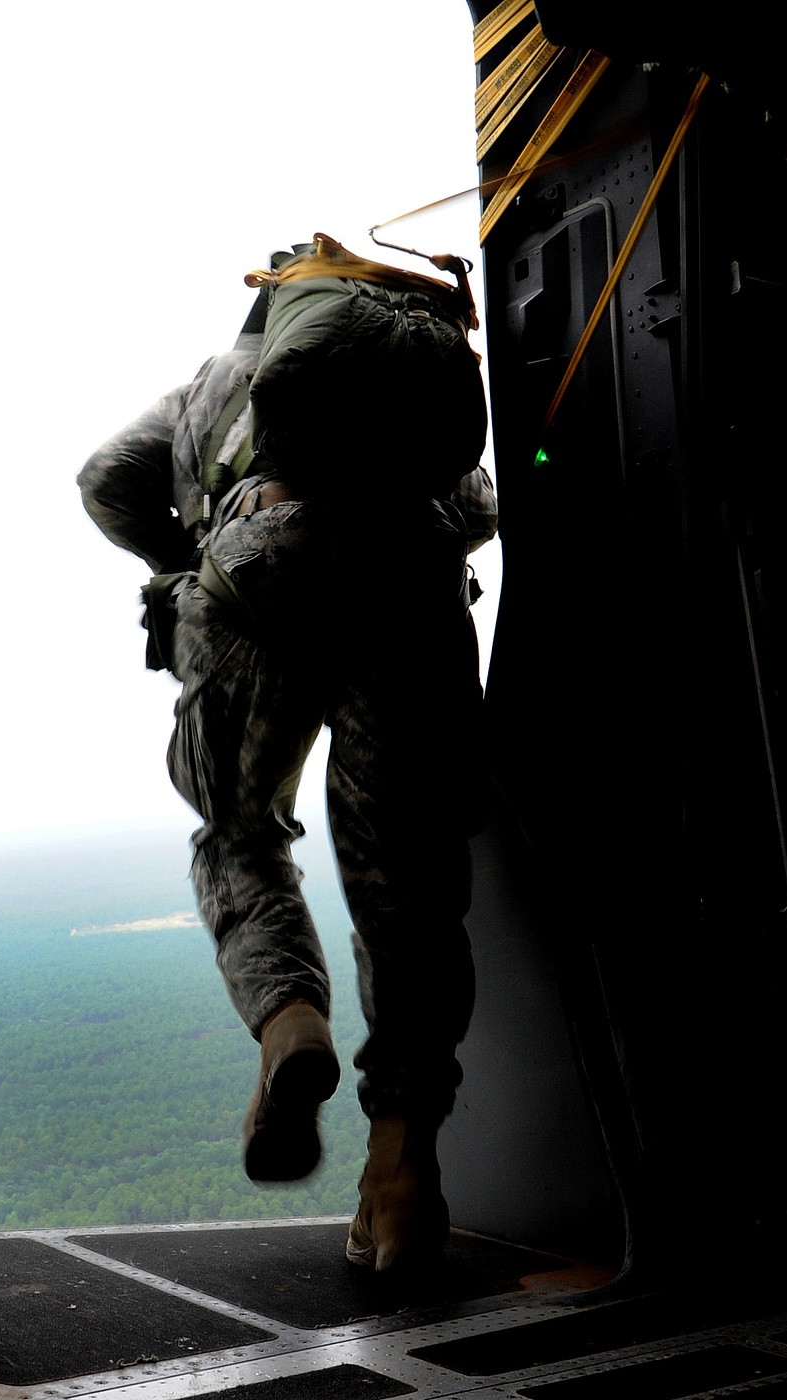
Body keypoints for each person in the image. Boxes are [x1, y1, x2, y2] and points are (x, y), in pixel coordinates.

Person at [78, 241, 497, 1271]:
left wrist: (188, 559)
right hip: (411, 592)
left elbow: (106, 481)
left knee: (239, 832)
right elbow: (478, 504)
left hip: (258, 574)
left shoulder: (216, 385)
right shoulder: (417, 396)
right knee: (405, 886)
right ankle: (401, 1179)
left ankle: (287, 1022)